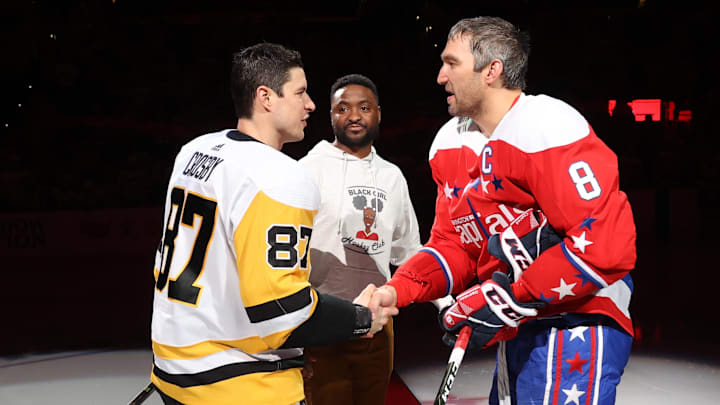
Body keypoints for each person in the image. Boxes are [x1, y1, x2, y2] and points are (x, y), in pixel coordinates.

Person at [371, 17, 636, 405]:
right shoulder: (448, 143)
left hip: (576, 320)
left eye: (452, 63)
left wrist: (505, 298)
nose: (441, 75)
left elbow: (605, 245)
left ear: (491, 70)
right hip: (518, 321)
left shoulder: (548, 125)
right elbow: (455, 244)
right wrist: (399, 288)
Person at [149, 43, 397, 405]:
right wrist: (361, 319)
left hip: (174, 367)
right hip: (237, 383)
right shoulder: (278, 176)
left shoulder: (194, 150)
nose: (310, 104)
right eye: (299, 93)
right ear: (266, 97)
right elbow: (282, 313)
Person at [298, 74, 422, 405]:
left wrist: (445, 302)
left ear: (378, 113)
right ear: (331, 116)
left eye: (364, 107)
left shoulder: (392, 176)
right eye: (343, 108)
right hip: (321, 322)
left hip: (376, 327)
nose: (354, 115)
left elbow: (408, 251)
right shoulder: (307, 170)